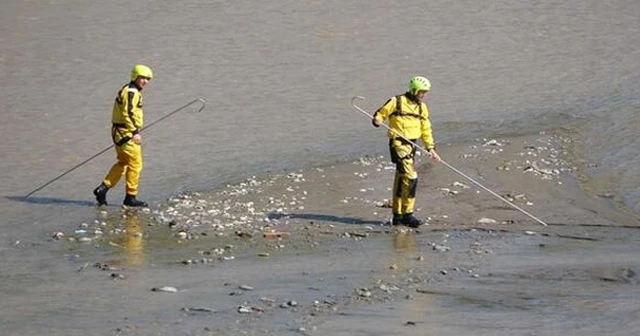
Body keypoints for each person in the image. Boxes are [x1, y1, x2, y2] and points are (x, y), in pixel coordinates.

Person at [372, 76, 441, 227]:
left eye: (425, 92)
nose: (424, 95)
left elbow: (426, 129)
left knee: (401, 179)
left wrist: (431, 148)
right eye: (422, 92)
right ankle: (408, 214)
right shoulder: (396, 101)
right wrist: (378, 120)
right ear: (414, 90)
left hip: (412, 145)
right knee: (411, 177)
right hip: (398, 144)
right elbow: (381, 113)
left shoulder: (422, 107)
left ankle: (397, 216)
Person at [93, 64, 153, 207]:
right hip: (126, 134)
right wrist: (135, 132)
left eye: (148, 79)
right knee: (135, 164)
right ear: (135, 76)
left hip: (119, 134)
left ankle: (103, 189)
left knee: (123, 163)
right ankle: (130, 197)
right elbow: (129, 113)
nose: (145, 81)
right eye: (142, 78)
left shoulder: (127, 89)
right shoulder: (131, 92)